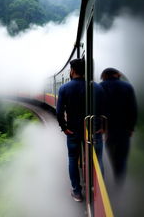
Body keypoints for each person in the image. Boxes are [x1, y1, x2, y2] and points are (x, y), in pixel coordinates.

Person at [56, 58, 105, 202]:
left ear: (72, 71)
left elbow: (59, 112)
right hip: (93, 130)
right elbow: (104, 110)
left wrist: (64, 128)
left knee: (73, 158)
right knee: (98, 160)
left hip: (73, 131)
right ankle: (97, 191)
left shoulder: (64, 88)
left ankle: (77, 192)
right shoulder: (97, 87)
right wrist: (102, 126)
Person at [100, 68, 137, 184]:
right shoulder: (127, 87)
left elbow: (98, 108)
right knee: (122, 155)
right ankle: (119, 179)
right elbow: (133, 109)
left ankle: (113, 170)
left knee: (111, 150)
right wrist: (131, 127)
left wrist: (101, 127)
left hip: (108, 128)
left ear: (105, 75)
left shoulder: (100, 86)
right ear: (116, 74)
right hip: (124, 128)